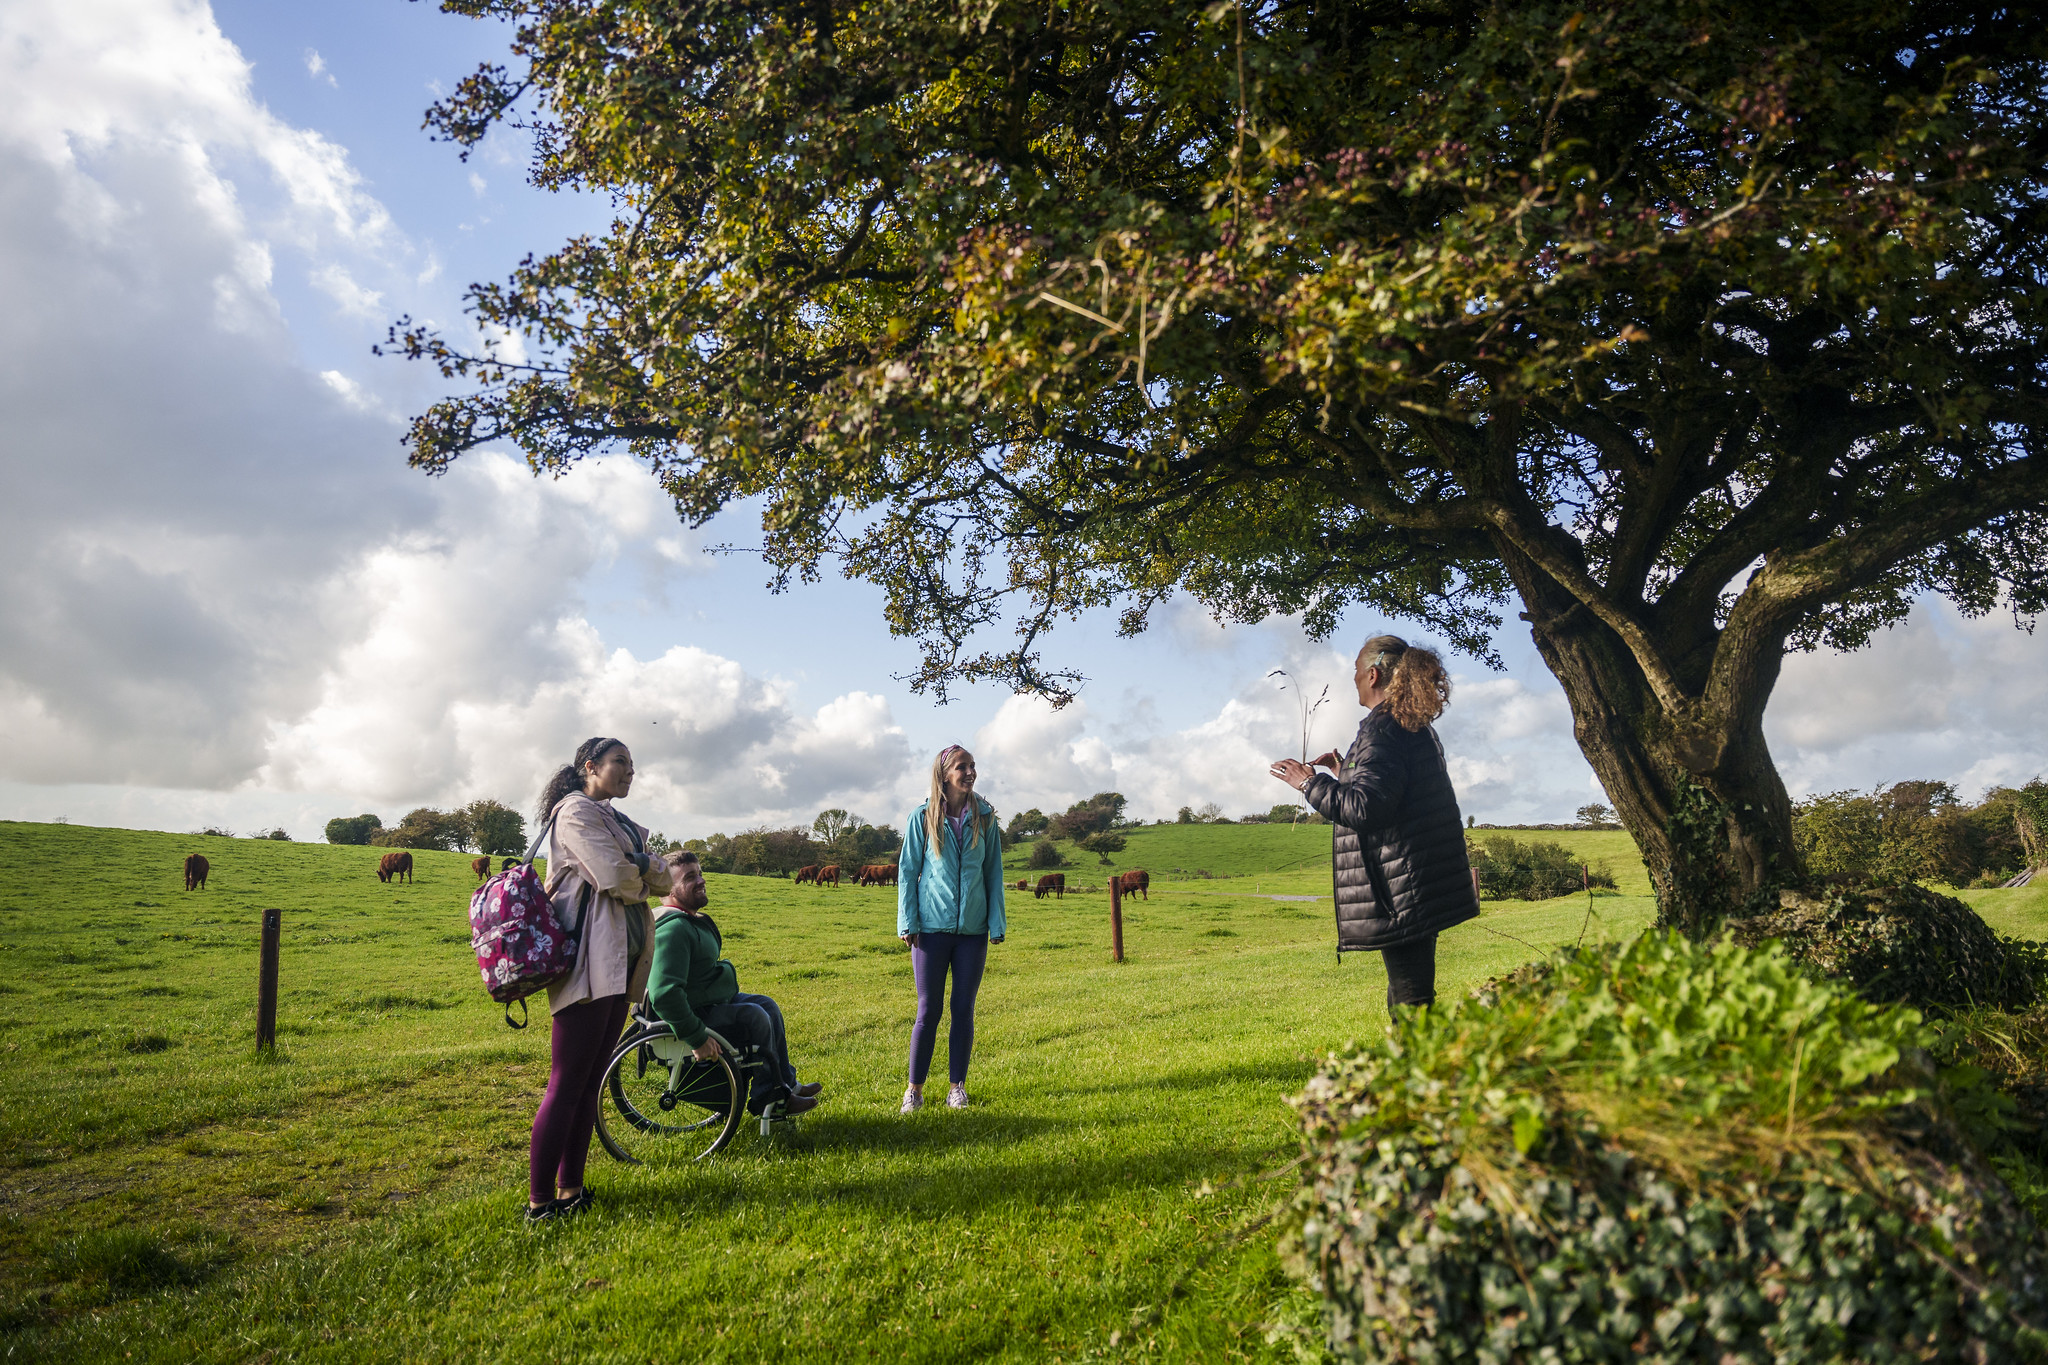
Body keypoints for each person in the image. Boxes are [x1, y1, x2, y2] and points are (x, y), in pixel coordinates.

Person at [1268, 636, 1479, 1013]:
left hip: (1400, 886)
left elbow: (1366, 809)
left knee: (1410, 999)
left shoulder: (1383, 729)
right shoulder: (1408, 722)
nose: (1352, 679)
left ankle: (1424, 1054)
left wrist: (1308, 783)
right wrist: (1343, 772)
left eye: (1355, 671)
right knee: (1407, 993)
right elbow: (1394, 793)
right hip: (1413, 878)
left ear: (1372, 675)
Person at [525, 736, 674, 1224]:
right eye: (620, 762)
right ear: (589, 766)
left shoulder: (616, 819)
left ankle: (571, 1190)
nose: (630, 771)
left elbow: (665, 878)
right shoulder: (575, 812)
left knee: (590, 1082)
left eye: (632, 763)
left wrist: (642, 870)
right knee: (567, 1082)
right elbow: (614, 876)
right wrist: (643, 870)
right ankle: (539, 1203)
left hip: (620, 962)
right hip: (587, 959)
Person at [645, 849, 821, 1117]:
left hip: (707, 1001)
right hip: (694, 1013)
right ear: (668, 888)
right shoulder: (673, 929)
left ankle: (785, 1084)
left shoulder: (686, 920)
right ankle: (769, 1098)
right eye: (690, 877)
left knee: (767, 1005)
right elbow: (665, 994)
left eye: (700, 873)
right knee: (755, 1015)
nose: (701, 880)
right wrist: (696, 1037)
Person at [897, 745, 1006, 1112]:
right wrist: (908, 922)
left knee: (963, 1009)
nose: (970, 772)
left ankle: (957, 1088)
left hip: (973, 933)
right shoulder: (922, 817)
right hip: (930, 930)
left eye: (973, 766)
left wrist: (996, 923)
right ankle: (914, 1091)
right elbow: (907, 872)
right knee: (928, 1011)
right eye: (962, 767)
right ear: (944, 774)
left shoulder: (986, 818)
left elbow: (993, 873)